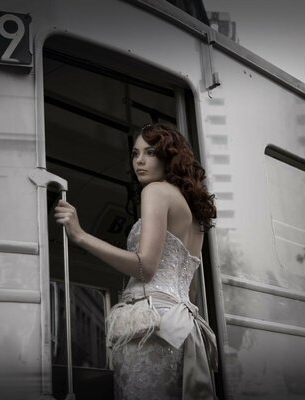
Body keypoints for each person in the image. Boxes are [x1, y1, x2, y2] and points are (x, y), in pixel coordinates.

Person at [54, 123, 217, 400]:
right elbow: (189, 288)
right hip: (181, 328)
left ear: (169, 156)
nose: (139, 161)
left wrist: (80, 236)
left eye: (150, 152)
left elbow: (145, 266)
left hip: (149, 324)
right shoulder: (195, 214)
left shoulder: (155, 192)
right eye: (134, 153)